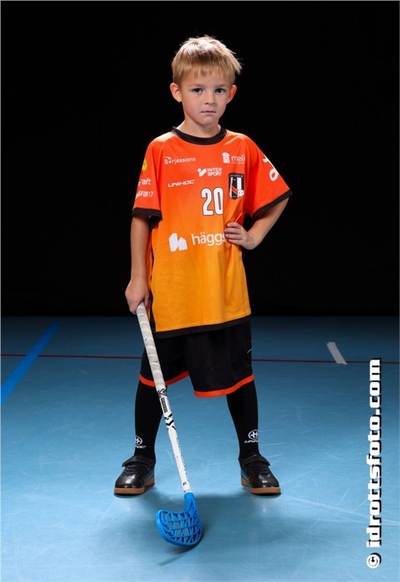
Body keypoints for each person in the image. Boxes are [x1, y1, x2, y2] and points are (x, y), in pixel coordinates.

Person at [114, 35, 292, 497]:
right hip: (172, 292)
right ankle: (141, 459)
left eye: (218, 90)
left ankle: (252, 459)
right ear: (177, 92)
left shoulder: (242, 147)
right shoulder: (161, 150)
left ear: (231, 93)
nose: (208, 99)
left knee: (241, 380)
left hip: (223, 293)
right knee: (152, 380)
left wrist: (254, 235)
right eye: (197, 90)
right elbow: (141, 218)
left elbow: (276, 197)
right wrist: (138, 278)